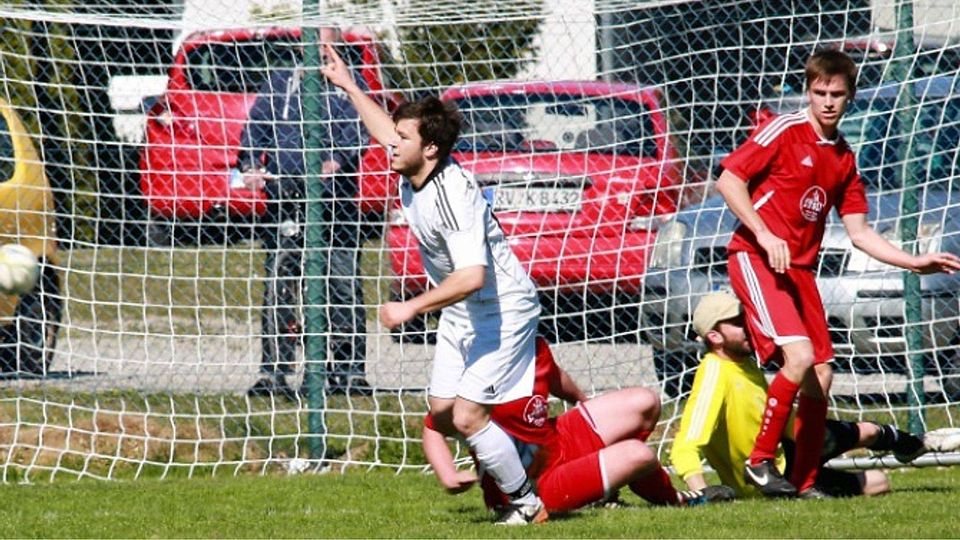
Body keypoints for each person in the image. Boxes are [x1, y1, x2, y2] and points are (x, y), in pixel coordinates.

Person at [320, 45, 550, 525]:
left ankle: (528, 505)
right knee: (443, 413)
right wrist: (348, 85)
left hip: (501, 307)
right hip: (464, 308)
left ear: (430, 149)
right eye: (395, 136)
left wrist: (411, 308)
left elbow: (472, 276)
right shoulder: (413, 166)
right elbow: (385, 129)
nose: (390, 144)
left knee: (467, 417)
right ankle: (519, 454)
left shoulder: (452, 196)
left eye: (402, 138)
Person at [715, 49, 960, 498]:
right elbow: (729, 178)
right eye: (819, 92)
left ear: (850, 97)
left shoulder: (844, 158)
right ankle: (760, 460)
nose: (827, 101)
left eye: (837, 94)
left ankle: (805, 481)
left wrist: (914, 262)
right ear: (808, 92)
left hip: (800, 272)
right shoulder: (784, 130)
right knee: (802, 358)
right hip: (756, 258)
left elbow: (861, 232)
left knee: (822, 374)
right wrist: (766, 235)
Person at [671, 291, 960, 499]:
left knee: (870, 430)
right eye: (737, 322)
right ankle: (808, 486)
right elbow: (685, 445)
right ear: (714, 337)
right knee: (878, 483)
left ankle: (918, 445)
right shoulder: (713, 374)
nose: (748, 325)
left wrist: (818, 435)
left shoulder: (744, 364)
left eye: (747, 317)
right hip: (773, 478)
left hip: (789, 447)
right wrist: (702, 493)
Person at [422, 337, 736, 514]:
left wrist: (586, 406)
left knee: (644, 401)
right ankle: (681, 501)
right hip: (532, 485)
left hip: (557, 440)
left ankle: (604, 485)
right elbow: (434, 425)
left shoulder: (530, 342)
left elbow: (554, 377)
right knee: (638, 454)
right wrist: (448, 474)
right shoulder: (478, 363)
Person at [240, 27, 371, 399]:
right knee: (279, 286)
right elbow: (255, 129)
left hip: (335, 206)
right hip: (286, 200)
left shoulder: (349, 83)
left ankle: (347, 371)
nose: (318, 48)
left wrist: (335, 163)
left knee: (341, 285)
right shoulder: (282, 82)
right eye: (311, 40)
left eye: (326, 42)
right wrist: (251, 165)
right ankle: (274, 373)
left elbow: (357, 135)